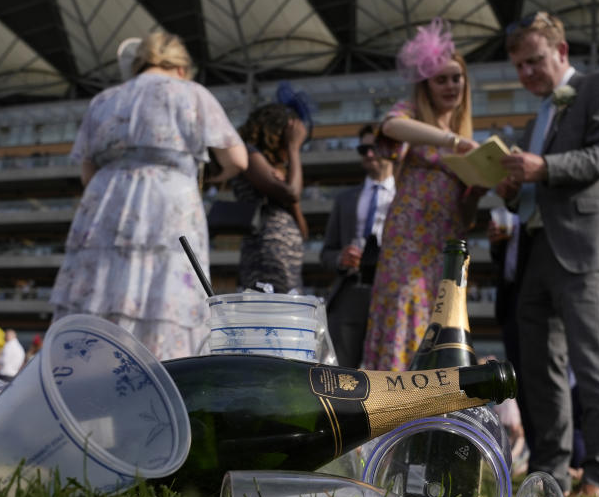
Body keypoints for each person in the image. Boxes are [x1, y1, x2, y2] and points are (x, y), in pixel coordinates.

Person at [496, 12, 599, 497]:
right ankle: (549, 474)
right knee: (539, 368)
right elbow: (536, 183)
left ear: (562, 52)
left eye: (534, 60)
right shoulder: (536, 115)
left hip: (587, 248)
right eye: (518, 66)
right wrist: (512, 189)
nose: (527, 73)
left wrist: (544, 166)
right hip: (534, 251)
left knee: (594, 359)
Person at [50, 32, 248, 360]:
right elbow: (237, 159)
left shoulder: (104, 100)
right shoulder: (193, 94)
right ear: (181, 68)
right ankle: (163, 372)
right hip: (169, 198)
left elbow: (87, 173)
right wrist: (213, 175)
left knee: (100, 287)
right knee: (166, 288)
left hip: (107, 199)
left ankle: (89, 369)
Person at [361, 18, 482, 371]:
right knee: (405, 318)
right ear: (425, 84)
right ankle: (395, 412)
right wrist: (451, 141)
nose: (450, 86)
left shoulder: (466, 133)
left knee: (442, 323)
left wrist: (479, 188)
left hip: (446, 247)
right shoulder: (416, 117)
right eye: (440, 79)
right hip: (409, 245)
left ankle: (432, 414)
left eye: (456, 78)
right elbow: (389, 126)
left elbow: (467, 216)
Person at [321, 124, 396, 367]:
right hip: (350, 293)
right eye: (363, 149)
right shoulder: (345, 199)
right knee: (341, 375)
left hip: (391, 293)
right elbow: (326, 253)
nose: (369, 154)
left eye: (373, 148)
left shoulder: (406, 197)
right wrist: (340, 258)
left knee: (388, 376)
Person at [234, 104, 309, 294]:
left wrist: (293, 200)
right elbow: (292, 192)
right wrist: (294, 148)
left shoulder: (279, 171)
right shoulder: (249, 153)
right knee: (268, 316)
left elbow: (303, 231)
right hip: (265, 257)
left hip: (288, 264)